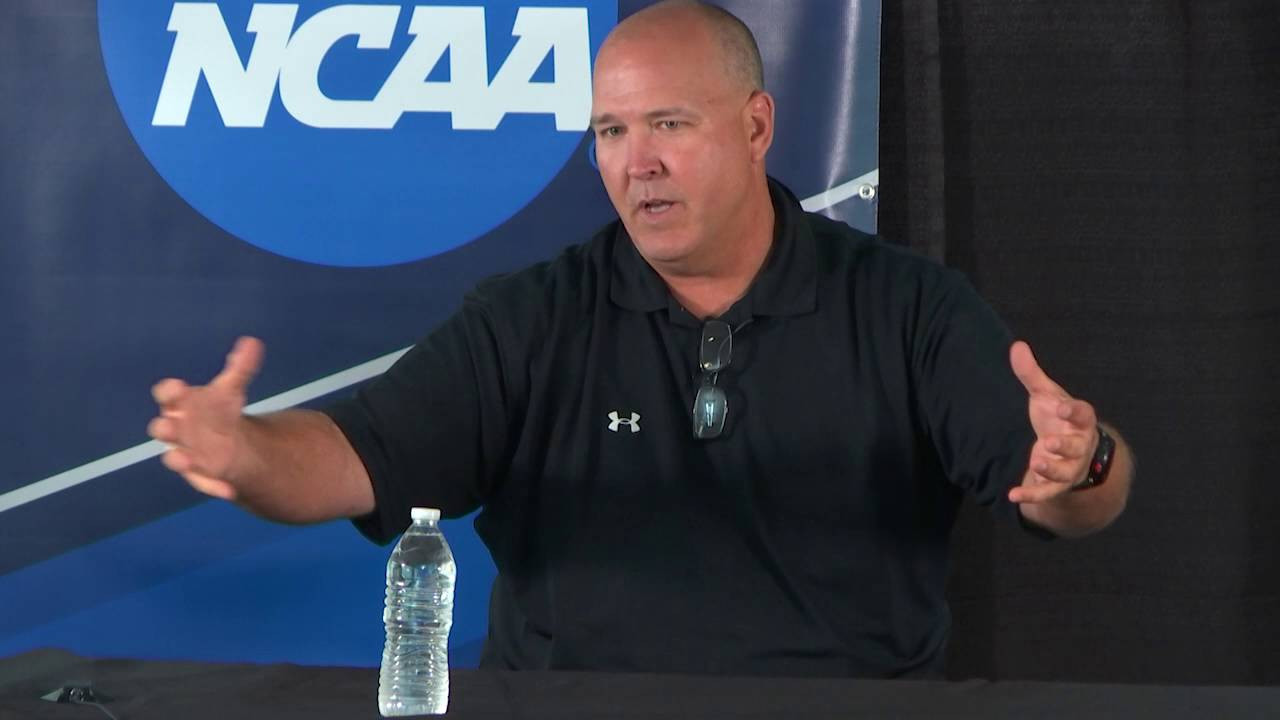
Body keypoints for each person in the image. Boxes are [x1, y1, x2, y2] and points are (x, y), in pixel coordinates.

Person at [148, 0, 1133, 677]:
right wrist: (247, 453)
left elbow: (1069, 494)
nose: (637, 164)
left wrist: (1081, 464)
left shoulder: (905, 305)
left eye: (668, 123)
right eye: (610, 132)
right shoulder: (533, 315)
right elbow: (349, 462)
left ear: (754, 127)